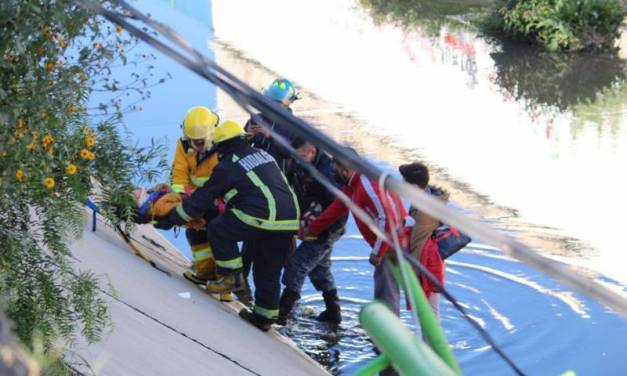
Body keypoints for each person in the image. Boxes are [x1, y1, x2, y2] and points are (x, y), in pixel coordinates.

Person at [155, 121, 300, 331]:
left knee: (218, 229)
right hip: (288, 219)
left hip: (260, 215)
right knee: (268, 268)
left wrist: (169, 219)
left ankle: (231, 277)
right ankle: (264, 317)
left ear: (221, 146)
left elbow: (200, 201)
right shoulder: (264, 155)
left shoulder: (227, 165)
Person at [302, 148, 407, 319]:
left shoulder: (367, 184)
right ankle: (382, 332)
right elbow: (337, 207)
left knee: (387, 293)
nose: (333, 172)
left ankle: (386, 339)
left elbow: (388, 219)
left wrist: (378, 252)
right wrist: (310, 229)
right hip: (388, 243)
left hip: (393, 245)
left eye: (335, 168)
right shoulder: (353, 183)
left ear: (345, 169)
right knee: (384, 290)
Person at [278, 139, 348, 325]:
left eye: (300, 156)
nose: (297, 160)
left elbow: (336, 208)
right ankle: (333, 312)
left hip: (327, 227)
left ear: (312, 151)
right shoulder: (301, 163)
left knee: (297, 264)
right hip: (311, 222)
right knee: (320, 268)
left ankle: (282, 312)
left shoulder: (328, 174)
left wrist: (321, 232)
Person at [169, 106, 233, 301]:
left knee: (219, 237)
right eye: (192, 140)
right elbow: (179, 172)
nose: (195, 144)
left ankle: (225, 287)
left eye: (198, 141)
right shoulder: (183, 144)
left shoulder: (222, 147)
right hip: (197, 198)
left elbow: (225, 178)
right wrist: (180, 197)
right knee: (195, 232)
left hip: (219, 201)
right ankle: (205, 274)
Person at [399, 162, 448, 320]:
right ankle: (428, 343)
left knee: (429, 313)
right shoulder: (425, 199)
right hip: (432, 262)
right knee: (430, 311)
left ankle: (430, 344)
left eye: (404, 181)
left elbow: (418, 245)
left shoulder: (424, 209)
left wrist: (410, 279)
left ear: (413, 186)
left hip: (427, 265)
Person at [244, 78, 300, 173]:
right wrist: (247, 136)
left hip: (279, 176)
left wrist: (271, 135)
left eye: (277, 102)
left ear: (286, 103)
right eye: (270, 101)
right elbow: (243, 147)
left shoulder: (294, 125)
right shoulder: (256, 119)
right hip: (256, 171)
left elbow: (290, 153)